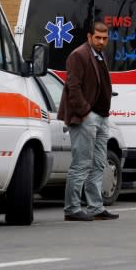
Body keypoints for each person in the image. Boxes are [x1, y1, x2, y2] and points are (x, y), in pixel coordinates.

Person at [58, 20, 119, 221]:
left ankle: (95, 207)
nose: (102, 42)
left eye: (105, 38)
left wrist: (103, 114)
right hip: (86, 117)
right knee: (81, 164)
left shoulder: (100, 55)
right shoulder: (78, 55)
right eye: (98, 38)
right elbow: (73, 88)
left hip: (102, 117)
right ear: (89, 37)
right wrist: (85, 112)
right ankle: (72, 209)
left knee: (99, 163)